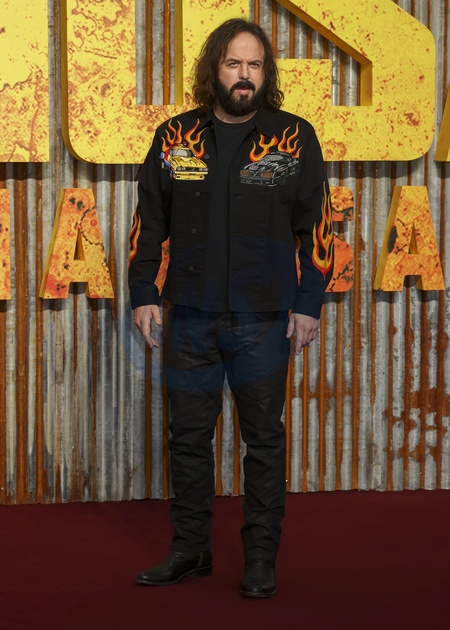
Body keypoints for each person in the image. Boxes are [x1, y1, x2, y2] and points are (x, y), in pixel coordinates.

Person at [128, 18, 334, 598]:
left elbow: (317, 228)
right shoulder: (175, 137)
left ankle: (261, 558)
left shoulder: (294, 137)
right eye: (233, 63)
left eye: (254, 65)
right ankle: (190, 549)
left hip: (263, 319)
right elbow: (149, 221)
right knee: (188, 438)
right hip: (188, 316)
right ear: (213, 70)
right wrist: (144, 292)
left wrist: (309, 303)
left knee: (263, 440)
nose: (244, 75)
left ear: (265, 74)